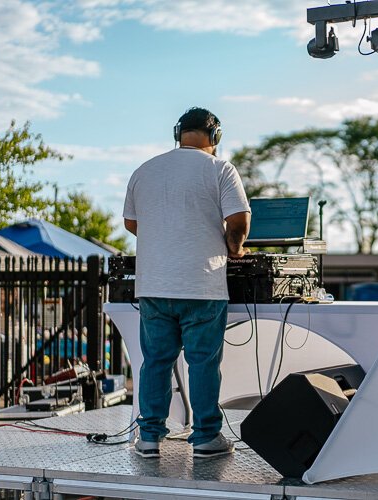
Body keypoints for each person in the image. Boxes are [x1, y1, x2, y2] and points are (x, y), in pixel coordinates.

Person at [123, 107, 251, 459]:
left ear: (178, 132)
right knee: (203, 363)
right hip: (202, 284)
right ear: (216, 137)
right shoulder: (220, 168)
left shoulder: (144, 170)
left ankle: (149, 438)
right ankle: (206, 439)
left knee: (156, 362)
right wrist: (234, 249)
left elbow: (132, 223)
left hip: (154, 285)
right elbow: (238, 221)